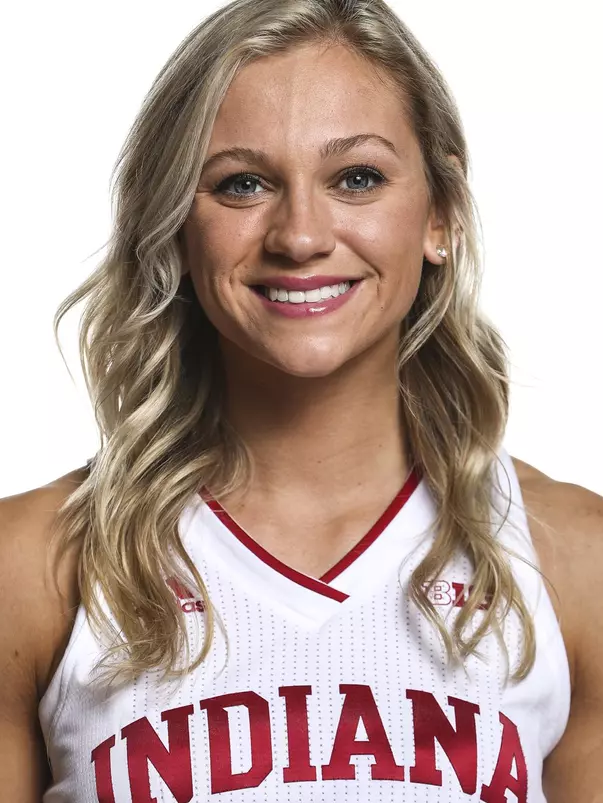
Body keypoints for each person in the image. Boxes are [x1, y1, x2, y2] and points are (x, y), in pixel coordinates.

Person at [1, 0, 601, 800]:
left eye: (356, 178)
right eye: (241, 184)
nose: (300, 236)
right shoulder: (37, 567)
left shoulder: (571, 561)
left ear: (440, 214)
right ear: (176, 225)